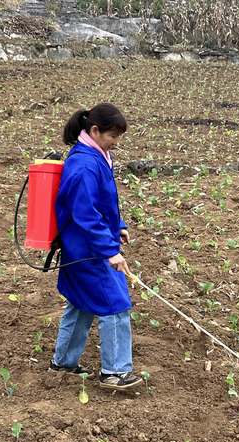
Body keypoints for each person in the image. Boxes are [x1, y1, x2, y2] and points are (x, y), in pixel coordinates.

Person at [49, 102, 141, 391]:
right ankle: (115, 372)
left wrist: (119, 226)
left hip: (83, 248)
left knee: (81, 303)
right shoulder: (85, 165)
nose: (115, 143)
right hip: (87, 251)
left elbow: (103, 202)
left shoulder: (95, 155)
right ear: (94, 130)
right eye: (112, 137)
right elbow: (85, 214)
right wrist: (109, 250)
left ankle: (62, 362)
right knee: (115, 305)